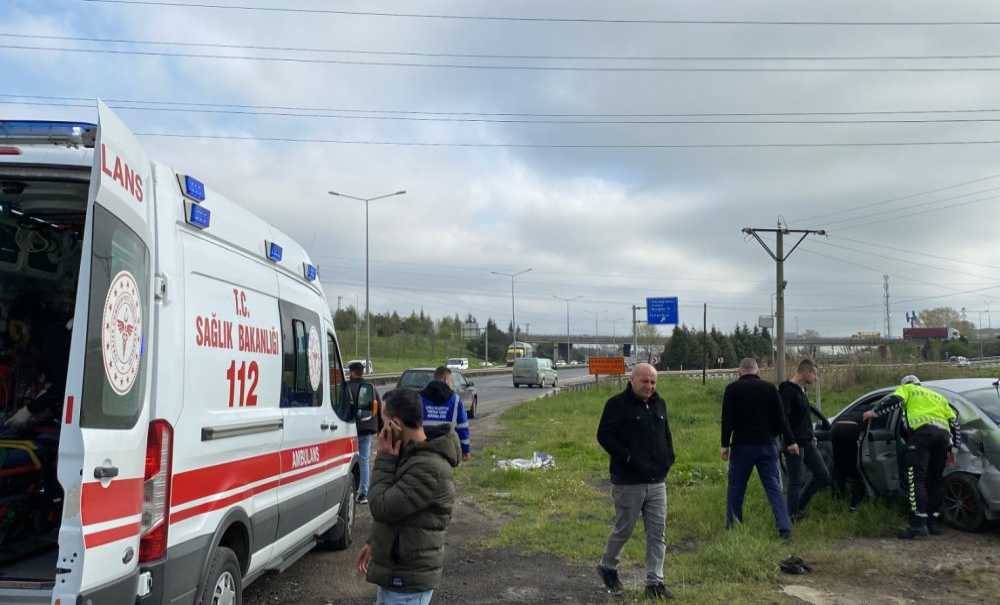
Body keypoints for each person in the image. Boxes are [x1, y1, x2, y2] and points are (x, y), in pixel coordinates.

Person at [355, 388, 460, 605]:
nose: (380, 428)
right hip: (397, 572)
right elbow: (396, 511)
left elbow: (381, 505)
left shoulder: (427, 467)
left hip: (408, 581)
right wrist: (375, 541)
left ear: (395, 424)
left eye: (382, 421)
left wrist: (383, 459)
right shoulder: (409, 455)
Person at [595, 363, 675, 600]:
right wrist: (628, 457)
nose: (649, 386)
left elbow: (666, 434)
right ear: (632, 380)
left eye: (653, 382)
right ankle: (607, 566)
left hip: (657, 481)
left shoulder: (660, 404)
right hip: (629, 481)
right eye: (645, 381)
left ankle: (654, 582)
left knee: (657, 533)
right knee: (624, 530)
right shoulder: (616, 405)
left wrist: (669, 457)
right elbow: (604, 436)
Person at [862, 375, 962, 539]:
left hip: (922, 436)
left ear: (906, 384)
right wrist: (954, 450)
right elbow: (955, 423)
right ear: (919, 384)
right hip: (943, 439)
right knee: (936, 480)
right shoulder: (937, 396)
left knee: (916, 480)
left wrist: (874, 412)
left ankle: (918, 525)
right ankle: (933, 522)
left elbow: (895, 401)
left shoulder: (907, 389)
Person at [721, 358, 800, 540]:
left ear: (739, 372)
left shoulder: (732, 389)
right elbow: (781, 419)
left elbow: (727, 420)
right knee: (774, 488)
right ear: (757, 371)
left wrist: (725, 444)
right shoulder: (770, 388)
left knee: (736, 487)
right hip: (766, 445)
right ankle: (784, 528)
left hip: (741, 447)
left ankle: (733, 526)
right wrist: (790, 441)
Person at [779, 359, 831, 521]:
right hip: (794, 444)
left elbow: (804, 418)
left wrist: (812, 435)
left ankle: (800, 506)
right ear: (806, 372)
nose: (816, 378)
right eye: (814, 374)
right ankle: (791, 517)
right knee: (796, 481)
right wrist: (790, 442)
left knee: (822, 475)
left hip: (807, 441)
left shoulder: (801, 390)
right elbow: (783, 420)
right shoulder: (787, 390)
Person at [348, 361, 382, 505]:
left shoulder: (347, 387)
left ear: (352, 372)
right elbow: (379, 407)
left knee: (347, 460)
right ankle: (363, 493)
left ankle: (350, 488)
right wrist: (380, 428)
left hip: (349, 428)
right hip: (366, 427)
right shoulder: (370, 387)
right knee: (364, 459)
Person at [419, 367, 471, 461]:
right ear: (446, 380)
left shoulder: (419, 397)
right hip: (447, 449)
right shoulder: (455, 399)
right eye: (451, 380)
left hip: (423, 448)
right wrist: (465, 450)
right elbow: (462, 426)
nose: (451, 384)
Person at [830, 409, 866, 512]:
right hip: (851, 429)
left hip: (836, 429)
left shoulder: (852, 411)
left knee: (838, 467)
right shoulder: (871, 410)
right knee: (854, 468)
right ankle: (854, 505)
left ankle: (837, 499)